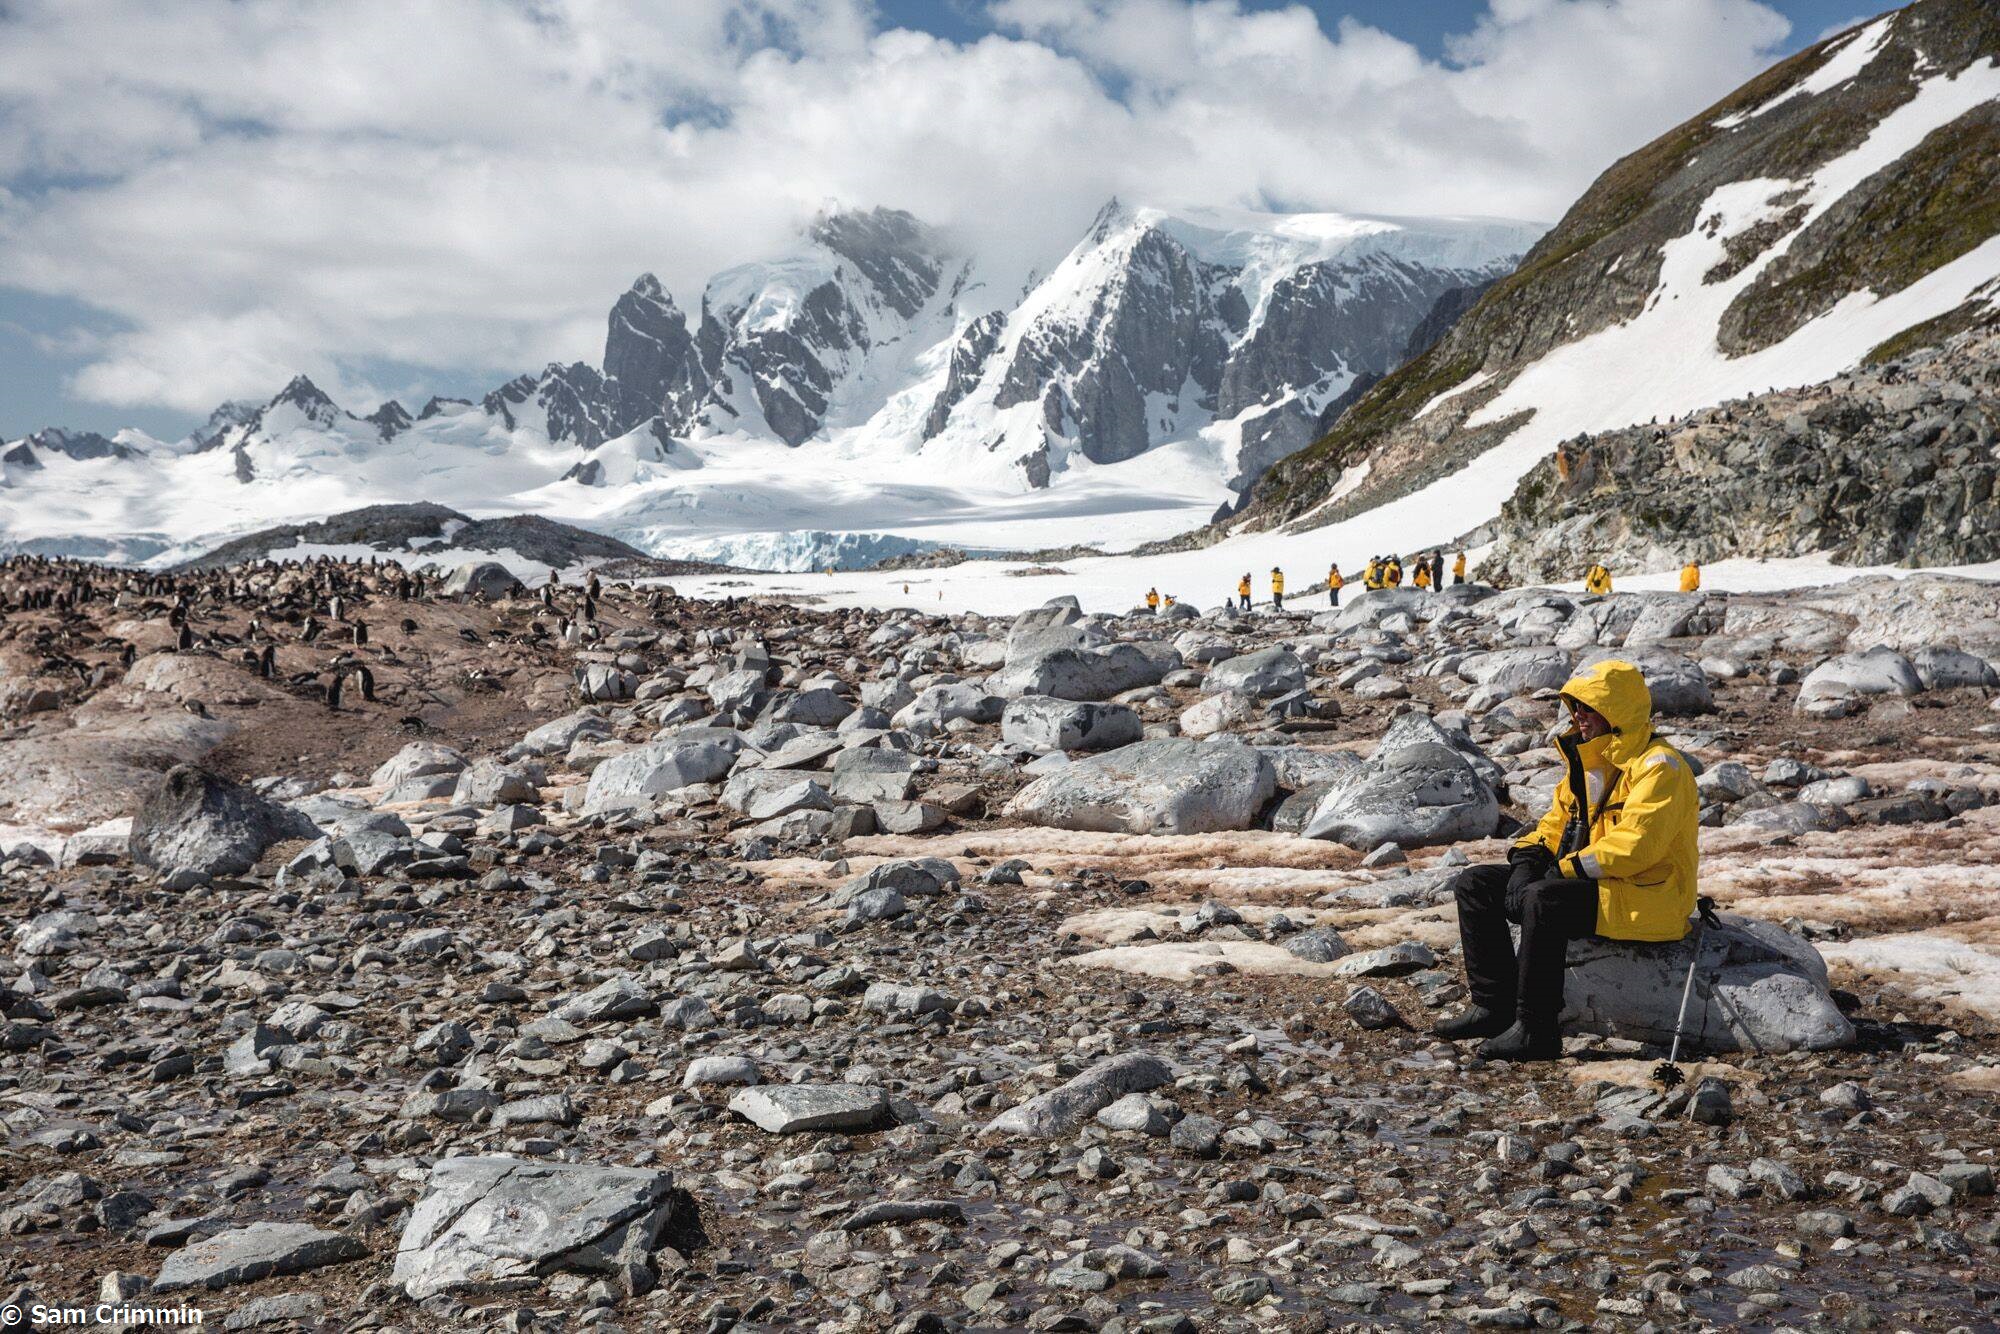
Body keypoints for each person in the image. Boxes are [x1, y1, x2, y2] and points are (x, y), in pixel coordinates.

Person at [1433, 659, 1698, 1060]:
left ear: (1617, 712)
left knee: (1545, 900)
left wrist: (1561, 870)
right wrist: (1527, 861)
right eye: (1575, 708)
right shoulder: (1590, 762)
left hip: (1649, 897)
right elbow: (1554, 826)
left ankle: (1536, 1031)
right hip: (1600, 882)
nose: (1578, 717)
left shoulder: (1660, 768)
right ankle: (1493, 1007)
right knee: (1476, 884)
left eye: (1588, 708)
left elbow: (1636, 847)